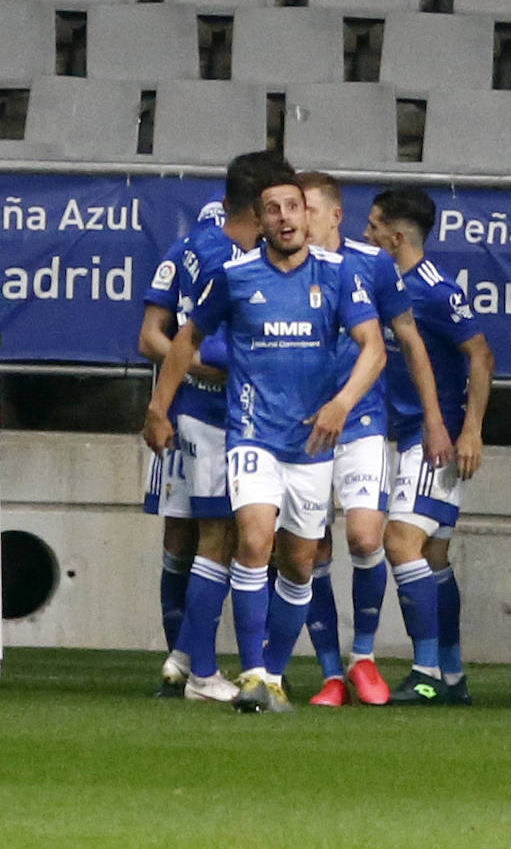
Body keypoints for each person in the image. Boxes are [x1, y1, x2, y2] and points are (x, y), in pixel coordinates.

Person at [143, 169, 386, 714]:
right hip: (251, 434)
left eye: (292, 208)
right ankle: (253, 672)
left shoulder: (340, 274)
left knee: (300, 563)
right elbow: (186, 340)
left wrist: (341, 404)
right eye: (272, 209)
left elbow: (374, 348)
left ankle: (272, 674)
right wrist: (159, 407)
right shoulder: (233, 275)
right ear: (261, 220)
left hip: (312, 443)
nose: (283, 218)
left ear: (307, 216)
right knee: (253, 540)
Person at [296, 172, 454, 708]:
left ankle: (363, 657)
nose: (296, 220)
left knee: (366, 539)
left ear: (335, 215)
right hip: (299, 425)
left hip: (362, 420)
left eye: (307, 210)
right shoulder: (278, 265)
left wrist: (434, 419)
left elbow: (408, 340)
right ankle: (329, 674)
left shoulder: (373, 266)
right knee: (307, 550)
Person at [139, 152, 292, 702]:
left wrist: (169, 392)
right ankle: (201, 670)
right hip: (216, 414)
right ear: (259, 206)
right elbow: (187, 340)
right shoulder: (239, 266)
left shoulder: (187, 247)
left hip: (190, 410)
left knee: (194, 535)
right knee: (219, 537)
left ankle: (181, 660)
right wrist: (207, 369)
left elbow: (151, 336)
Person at [363, 186, 494, 706]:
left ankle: (425, 673)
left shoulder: (435, 291)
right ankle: (453, 674)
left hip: (432, 437)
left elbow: (481, 356)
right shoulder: (385, 284)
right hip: (397, 434)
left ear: (395, 238)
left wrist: (471, 430)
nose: (366, 235)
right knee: (434, 557)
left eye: (373, 228)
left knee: (400, 543)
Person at [138, 199, 226, 696]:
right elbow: (151, 336)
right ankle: (182, 665)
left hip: (237, 416)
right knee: (182, 539)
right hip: (182, 413)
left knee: (228, 538)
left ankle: (187, 660)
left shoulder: (263, 260)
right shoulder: (184, 250)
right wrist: (192, 366)